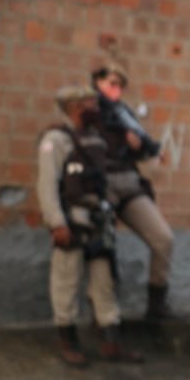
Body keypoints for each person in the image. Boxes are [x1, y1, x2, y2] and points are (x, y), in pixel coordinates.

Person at [36, 86, 144, 365]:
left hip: (98, 220)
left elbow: (103, 182)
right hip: (72, 220)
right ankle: (68, 341)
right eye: (89, 102)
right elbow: (47, 185)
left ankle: (111, 342)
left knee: (104, 283)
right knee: (66, 281)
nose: (95, 107)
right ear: (74, 106)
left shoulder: (96, 138)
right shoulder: (55, 140)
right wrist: (56, 222)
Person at [91, 62, 177, 320]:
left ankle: (156, 303)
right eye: (111, 83)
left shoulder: (122, 113)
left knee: (163, 239)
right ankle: (102, 315)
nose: (116, 90)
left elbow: (142, 147)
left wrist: (138, 146)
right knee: (101, 248)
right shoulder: (90, 110)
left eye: (120, 85)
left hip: (128, 182)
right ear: (98, 81)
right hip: (101, 184)